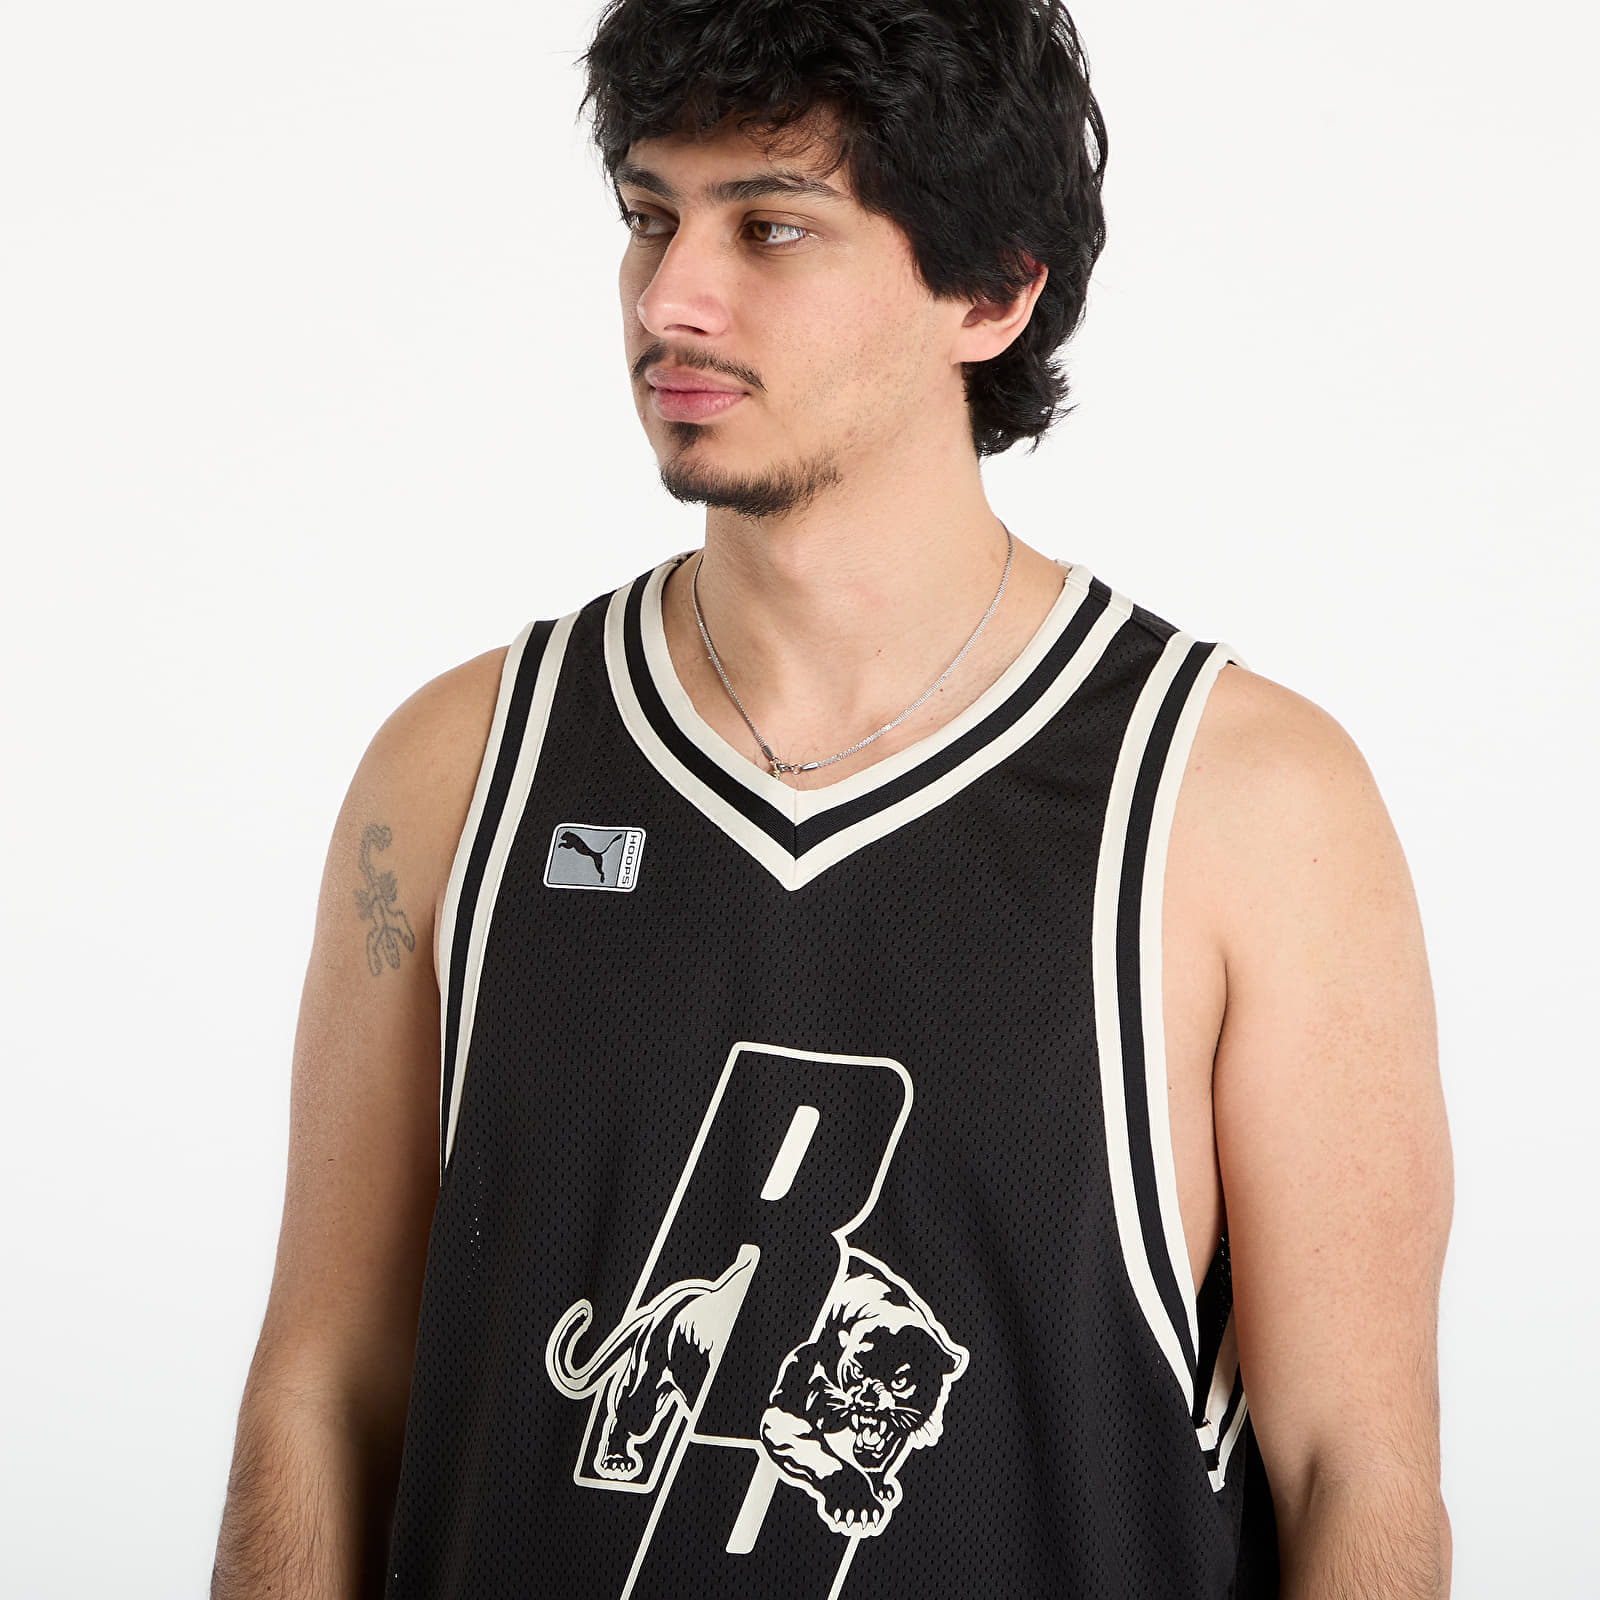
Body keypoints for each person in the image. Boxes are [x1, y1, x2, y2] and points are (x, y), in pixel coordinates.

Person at [211, 1, 1454, 1595]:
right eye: (649, 217)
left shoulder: (1249, 806)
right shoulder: (456, 770)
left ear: (993, 289)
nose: (669, 297)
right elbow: (321, 1392)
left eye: (771, 227)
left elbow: (1357, 1472)